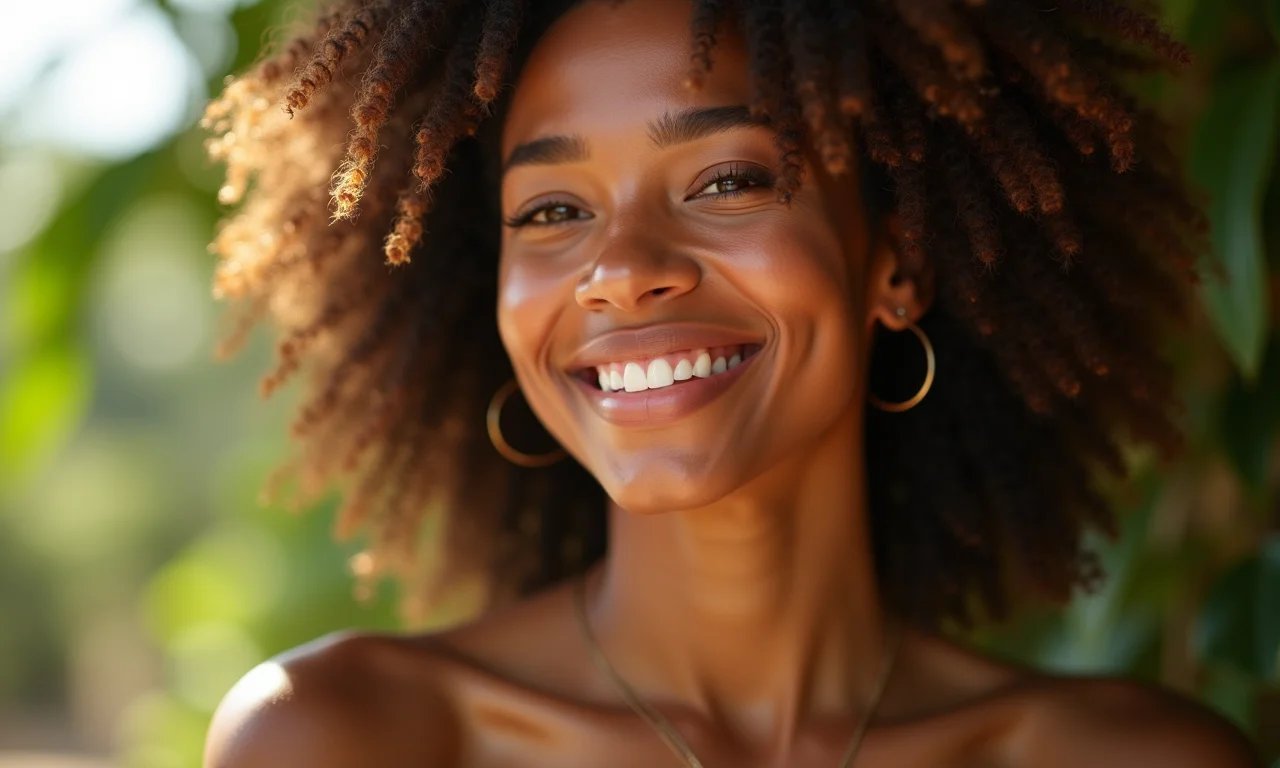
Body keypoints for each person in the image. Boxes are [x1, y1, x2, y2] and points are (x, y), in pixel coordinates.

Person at [199, 0, 1262, 765]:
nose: (618, 269)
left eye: (728, 181)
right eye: (552, 211)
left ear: (893, 262)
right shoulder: (342, 737)